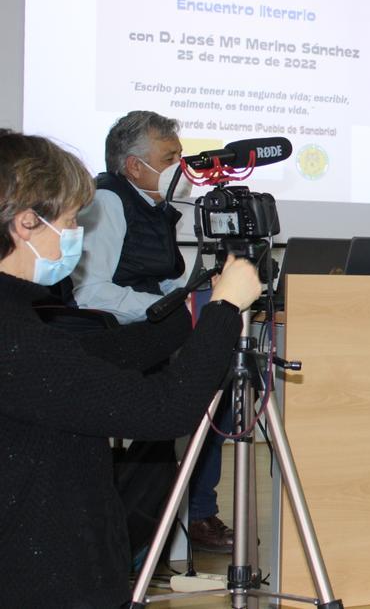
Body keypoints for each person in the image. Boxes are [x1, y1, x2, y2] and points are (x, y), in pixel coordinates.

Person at [0, 130, 262, 607]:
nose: (76, 233)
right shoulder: (14, 340)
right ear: (25, 224)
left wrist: (187, 317)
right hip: (44, 581)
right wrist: (224, 312)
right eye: (71, 219)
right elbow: (166, 410)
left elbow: (89, 363)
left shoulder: (19, 322)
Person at [72, 110, 235, 553]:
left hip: (149, 332)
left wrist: (199, 296)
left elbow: (157, 276)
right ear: (133, 166)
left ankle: (196, 509)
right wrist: (173, 308)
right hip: (112, 340)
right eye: (170, 158)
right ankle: (144, 530)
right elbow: (92, 293)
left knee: (219, 387)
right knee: (192, 394)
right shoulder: (108, 202)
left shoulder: (157, 208)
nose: (180, 168)